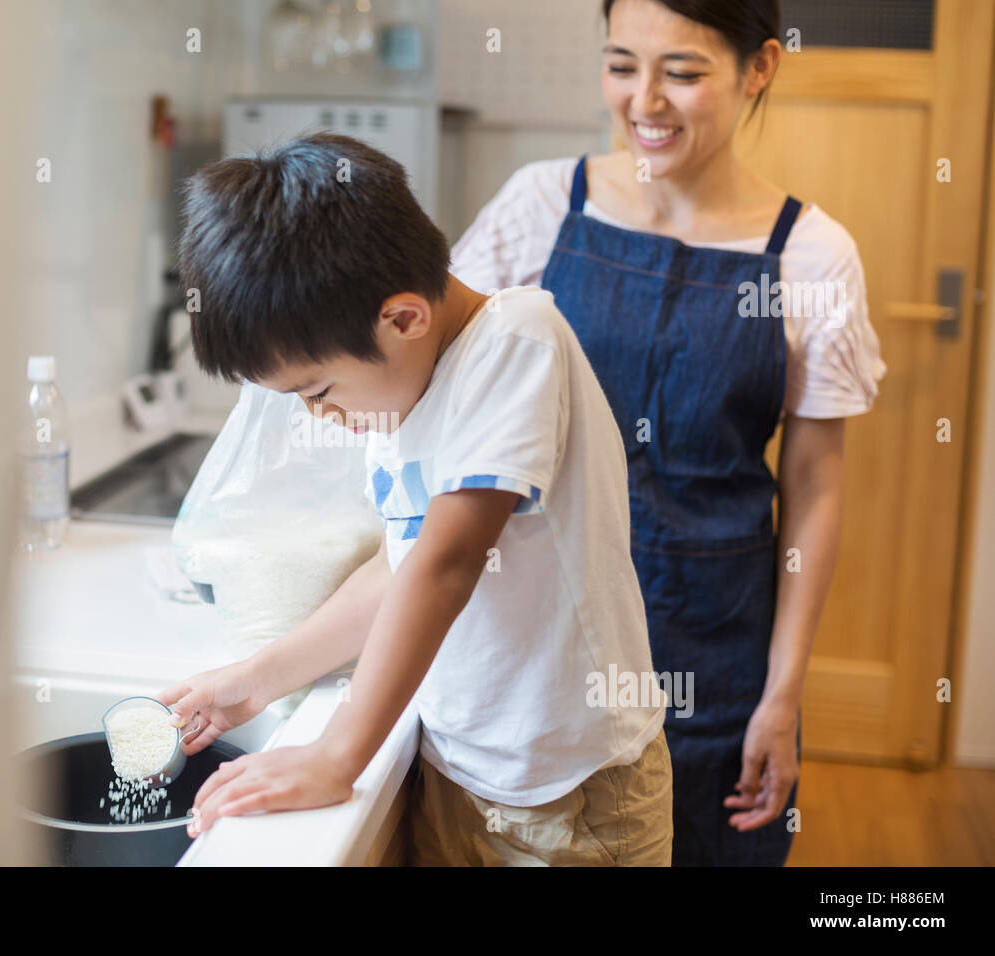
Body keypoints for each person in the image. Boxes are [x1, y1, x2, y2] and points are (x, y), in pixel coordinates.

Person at [449, 0, 886, 865]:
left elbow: (814, 488)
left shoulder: (810, 254)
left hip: (714, 646)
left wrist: (783, 698)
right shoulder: (544, 205)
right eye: (621, 65)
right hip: (540, 641)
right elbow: (445, 407)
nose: (644, 100)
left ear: (759, 67)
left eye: (682, 73)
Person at [163, 131, 672, 865]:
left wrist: (338, 755)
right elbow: (399, 561)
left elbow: (447, 561)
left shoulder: (516, 342)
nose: (317, 414)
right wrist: (258, 679)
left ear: (403, 318)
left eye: (317, 390)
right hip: (459, 768)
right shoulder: (401, 384)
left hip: (569, 794)